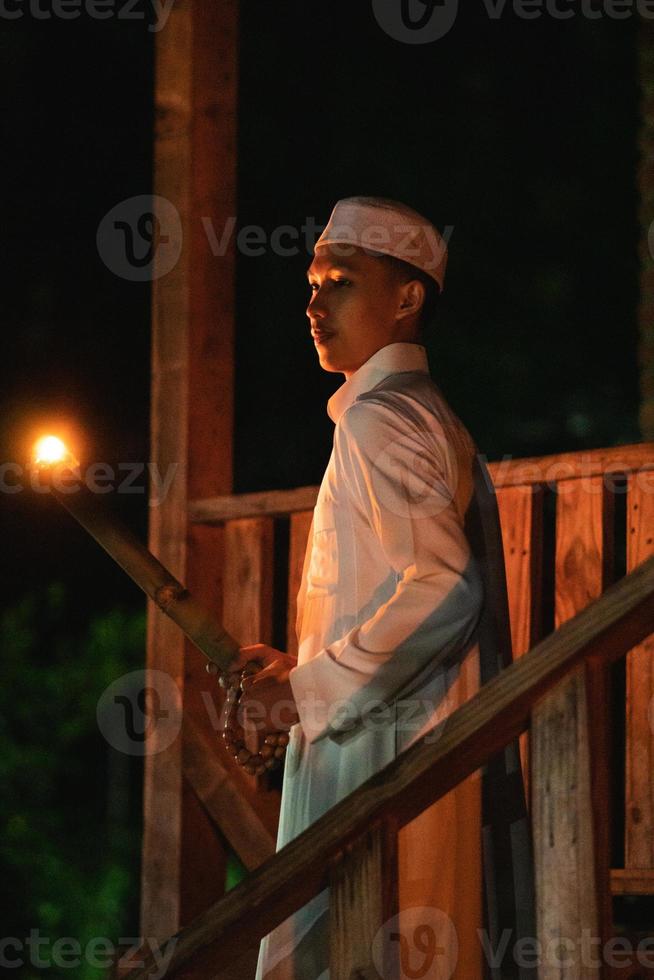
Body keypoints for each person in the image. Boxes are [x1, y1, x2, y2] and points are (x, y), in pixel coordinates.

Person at [231, 196, 486, 979]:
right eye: (311, 284)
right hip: (381, 749)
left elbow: (446, 587)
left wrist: (309, 692)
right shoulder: (402, 413)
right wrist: (295, 667)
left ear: (407, 298)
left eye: (339, 281)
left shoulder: (384, 419)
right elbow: (385, 594)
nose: (313, 304)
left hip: (381, 761)